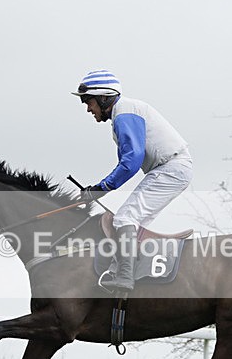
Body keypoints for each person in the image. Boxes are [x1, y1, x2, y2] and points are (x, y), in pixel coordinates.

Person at [72, 69, 193, 292]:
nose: (89, 109)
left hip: (170, 168)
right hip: (170, 168)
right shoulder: (125, 112)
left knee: (125, 217)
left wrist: (100, 188)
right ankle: (127, 270)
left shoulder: (124, 114)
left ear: (103, 98)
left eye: (89, 102)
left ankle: (124, 277)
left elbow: (131, 161)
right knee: (131, 222)